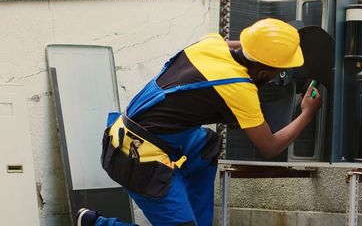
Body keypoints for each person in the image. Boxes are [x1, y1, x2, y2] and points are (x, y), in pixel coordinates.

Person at [77, 18, 322, 226]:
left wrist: (274, 50)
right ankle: (96, 223)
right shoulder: (239, 89)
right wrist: (307, 113)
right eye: (277, 72)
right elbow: (270, 147)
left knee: (206, 144)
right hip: (138, 158)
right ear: (261, 71)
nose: (277, 77)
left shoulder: (211, 43)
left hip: (127, 131)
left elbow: (244, 49)